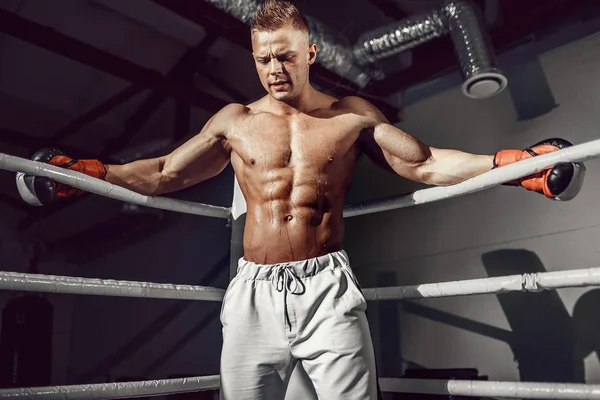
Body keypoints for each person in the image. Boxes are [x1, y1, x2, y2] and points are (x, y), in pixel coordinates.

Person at [16, 0, 585, 398]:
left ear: (311, 52)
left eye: (285, 56)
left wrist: (513, 166)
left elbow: (427, 162)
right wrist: (88, 174)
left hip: (327, 288)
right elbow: (165, 172)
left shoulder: (350, 117)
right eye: (263, 58)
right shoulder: (235, 121)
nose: (273, 69)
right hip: (252, 294)